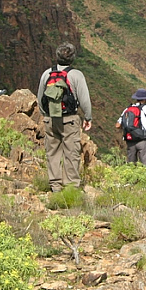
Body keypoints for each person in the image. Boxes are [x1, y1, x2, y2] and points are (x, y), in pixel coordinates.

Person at [36, 42, 93, 192]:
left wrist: (46, 115)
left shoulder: (46, 74)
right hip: (69, 120)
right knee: (71, 153)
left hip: (50, 119)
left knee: (52, 152)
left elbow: (40, 98)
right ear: (73, 57)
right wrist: (88, 117)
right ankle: (71, 187)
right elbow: (84, 100)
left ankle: (55, 186)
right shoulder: (76, 75)